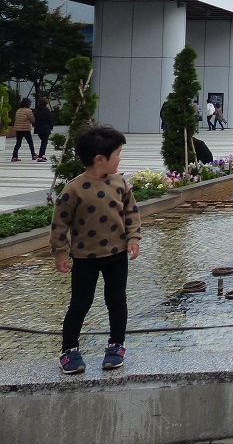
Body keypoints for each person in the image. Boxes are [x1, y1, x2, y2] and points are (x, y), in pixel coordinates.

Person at [49, 124, 141, 374]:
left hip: (117, 255)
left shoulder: (120, 183)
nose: (120, 159)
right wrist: (60, 251)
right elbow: (60, 223)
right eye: (118, 154)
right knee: (80, 303)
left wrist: (133, 238)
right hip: (85, 258)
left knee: (116, 300)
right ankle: (69, 350)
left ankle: (116, 345)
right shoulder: (74, 189)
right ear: (100, 159)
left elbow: (131, 212)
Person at [10, 98, 36, 162]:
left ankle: (14, 156)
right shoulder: (28, 111)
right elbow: (32, 120)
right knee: (30, 142)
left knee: (18, 143)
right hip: (26, 129)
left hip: (18, 129)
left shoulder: (18, 110)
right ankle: (33, 155)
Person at [34, 97, 55, 162]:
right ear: (46, 103)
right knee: (44, 142)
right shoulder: (47, 111)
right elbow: (50, 120)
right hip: (46, 129)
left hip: (38, 129)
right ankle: (41, 156)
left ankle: (42, 155)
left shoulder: (36, 111)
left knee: (43, 142)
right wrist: (51, 127)